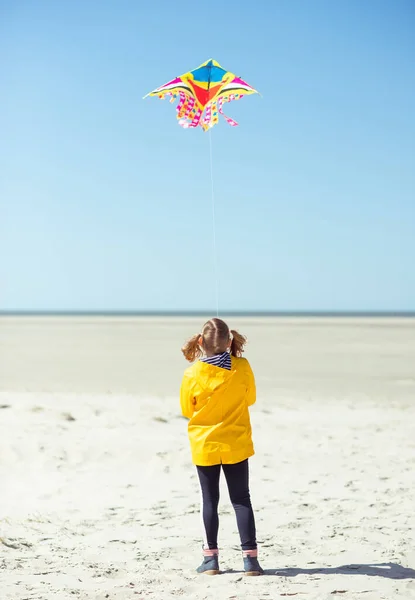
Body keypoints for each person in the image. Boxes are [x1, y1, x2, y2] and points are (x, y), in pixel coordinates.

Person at [180, 317, 263, 576]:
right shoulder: (242, 366)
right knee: (241, 500)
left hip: (205, 444)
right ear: (229, 341)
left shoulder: (192, 373)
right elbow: (251, 398)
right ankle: (250, 561)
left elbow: (186, 409)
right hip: (235, 442)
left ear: (201, 342)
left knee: (210, 500)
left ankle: (210, 561)